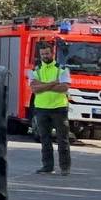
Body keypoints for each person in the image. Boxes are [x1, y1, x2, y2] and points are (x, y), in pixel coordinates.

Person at [29, 42, 73, 175]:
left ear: (52, 53)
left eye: (47, 53)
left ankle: (65, 168)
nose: (45, 56)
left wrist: (43, 85)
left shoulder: (62, 69)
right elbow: (34, 89)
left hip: (59, 108)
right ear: (39, 54)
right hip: (41, 109)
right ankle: (47, 166)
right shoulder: (35, 70)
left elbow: (64, 87)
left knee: (62, 139)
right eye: (42, 54)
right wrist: (54, 83)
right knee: (45, 139)